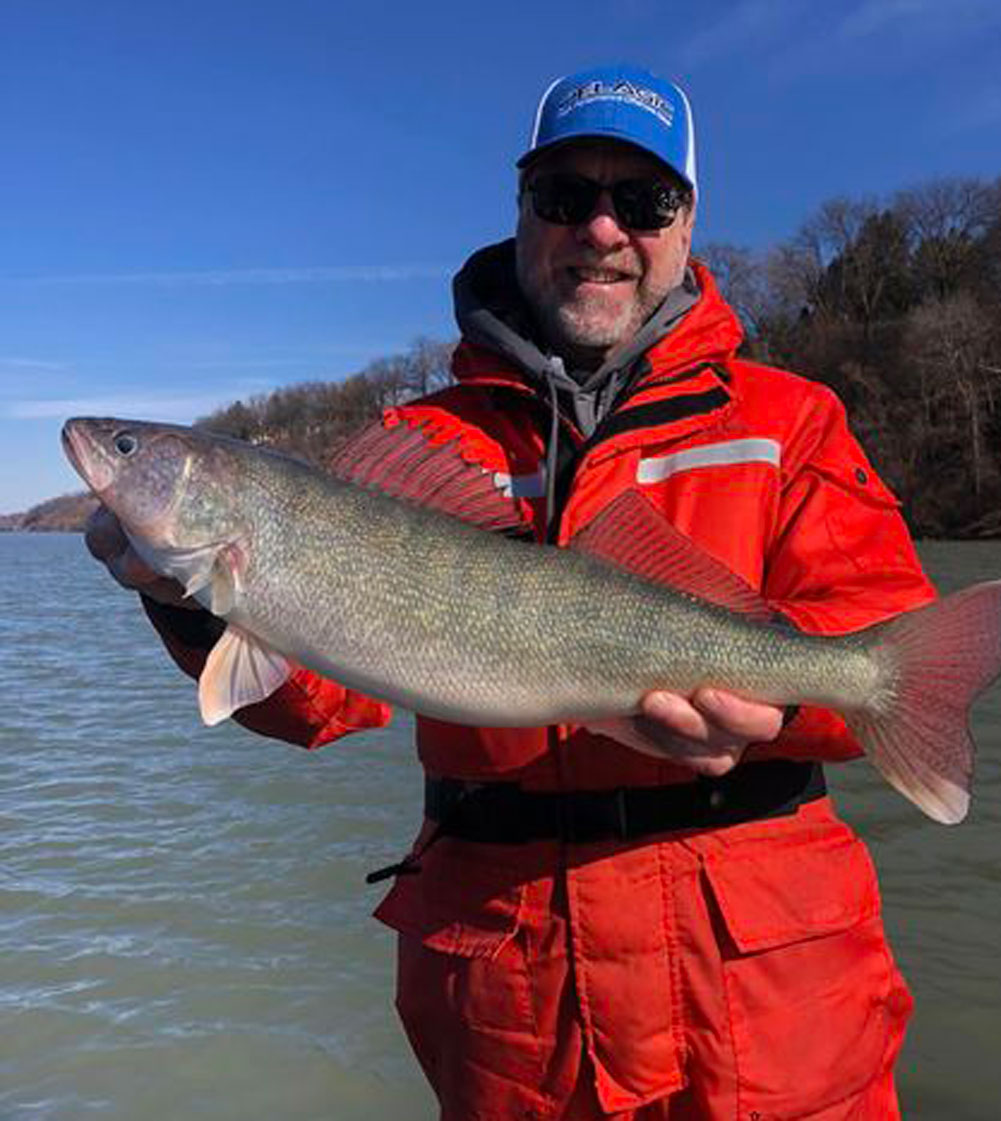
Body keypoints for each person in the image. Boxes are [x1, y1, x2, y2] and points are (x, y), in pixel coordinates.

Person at [88, 64, 935, 1120]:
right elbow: (316, 699)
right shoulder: (412, 444)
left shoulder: (790, 420)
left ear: (687, 222)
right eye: (565, 195)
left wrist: (786, 707)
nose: (602, 229)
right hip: (512, 1016)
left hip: (766, 1009)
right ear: (523, 211)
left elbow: (884, 637)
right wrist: (186, 597)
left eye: (643, 199)